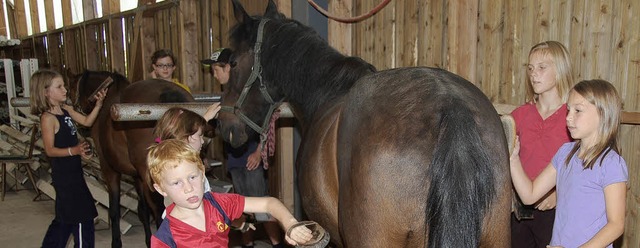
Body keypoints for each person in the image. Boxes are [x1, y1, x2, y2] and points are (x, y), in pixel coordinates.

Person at [510, 79, 628, 248]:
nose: (568, 118)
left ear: (602, 114)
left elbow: (616, 224)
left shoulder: (611, 163)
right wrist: (513, 159)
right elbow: (529, 195)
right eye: (568, 110)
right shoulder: (565, 153)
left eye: (577, 111)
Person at [148, 139, 312, 247]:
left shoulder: (218, 204)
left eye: (192, 177)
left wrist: (290, 224)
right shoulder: (165, 238)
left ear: (202, 172)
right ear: (161, 189)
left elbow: (269, 203)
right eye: (176, 183)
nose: (188, 188)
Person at [203, 48, 284, 248]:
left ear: (229, 68)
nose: (215, 75)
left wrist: (259, 151)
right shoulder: (225, 97)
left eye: (216, 69)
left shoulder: (248, 95)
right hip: (234, 158)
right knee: (241, 206)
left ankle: (278, 244)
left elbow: (264, 123)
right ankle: (248, 244)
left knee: (262, 204)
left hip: (250, 157)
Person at [29, 69, 107, 247]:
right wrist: (75, 150)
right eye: (60, 86)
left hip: (75, 173)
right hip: (65, 176)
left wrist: (99, 104)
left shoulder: (65, 110)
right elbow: (50, 150)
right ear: (46, 92)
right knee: (82, 217)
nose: (65, 90)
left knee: (65, 219)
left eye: (64, 85)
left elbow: (87, 122)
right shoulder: (48, 118)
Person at [509, 41, 575, 247]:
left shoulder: (573, 117)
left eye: (542, 67)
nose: (533, 74)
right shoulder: (519, 116)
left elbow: (583, 168)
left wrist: (558, 194)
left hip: (556, 211)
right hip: (519, 212)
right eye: (530, 68)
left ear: (560, 69)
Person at [153, 106, 220, 210]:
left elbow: (186, 138)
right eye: (200, 136)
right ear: (186, 138)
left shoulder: (170, 160)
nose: (202, 141)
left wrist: (204, 118)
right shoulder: (180, 168)